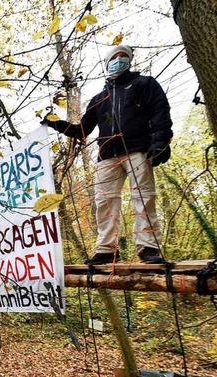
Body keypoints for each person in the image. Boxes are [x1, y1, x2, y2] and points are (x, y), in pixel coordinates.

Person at [42, 45, 172, 265]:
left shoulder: (144, 84)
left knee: (143, 196)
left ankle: (148, 248)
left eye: (123, 57)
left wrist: (160, 141)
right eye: (115, 57)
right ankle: (106, 249)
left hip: (139, 148)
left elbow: (160, 113)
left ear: (130, 60)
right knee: (104, 201)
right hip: (107, 155)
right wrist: (57, 124)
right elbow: (81, 130)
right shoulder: (99, 99)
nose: (119, 60)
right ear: (107, 62)